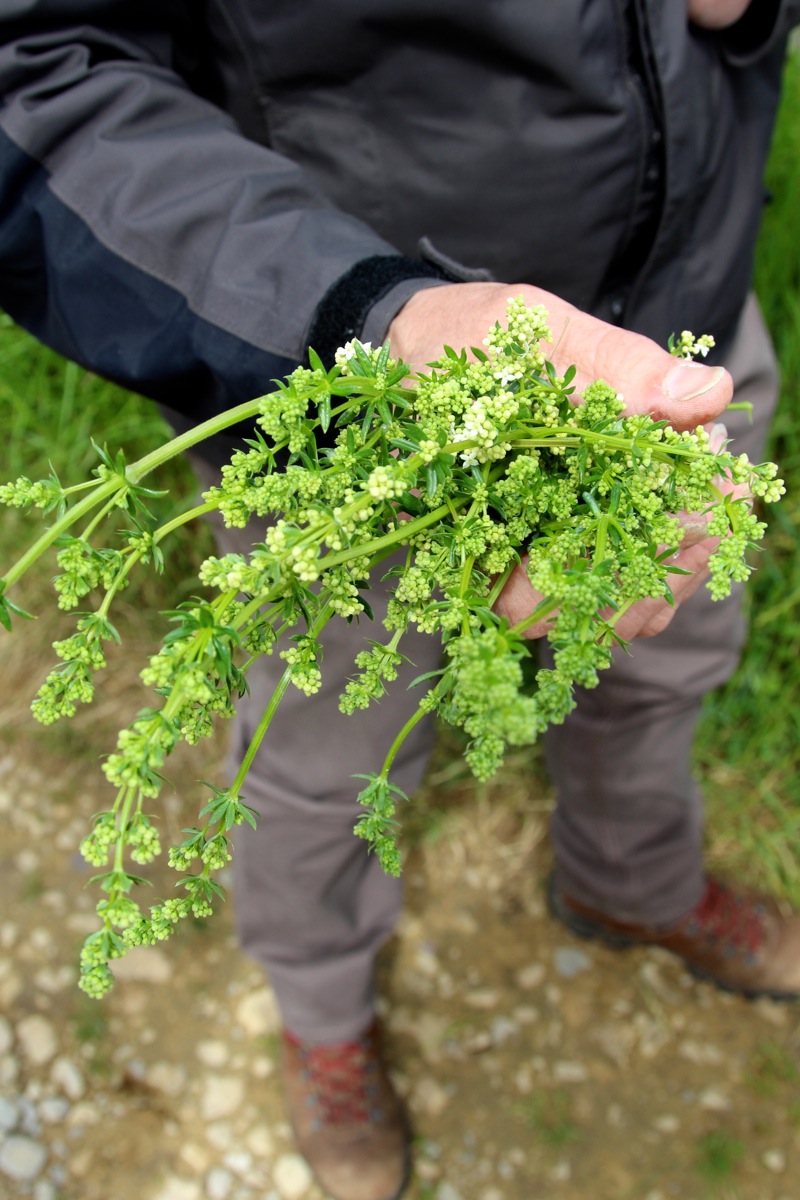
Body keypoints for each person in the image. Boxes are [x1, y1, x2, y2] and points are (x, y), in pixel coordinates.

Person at [1, 4, 799, 1200]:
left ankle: (630, 880)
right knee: (323, 753)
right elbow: (31, 72)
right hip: (372, 382)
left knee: (665, 655)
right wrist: (366, 319)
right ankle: (321, 1010)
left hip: (680, 318)